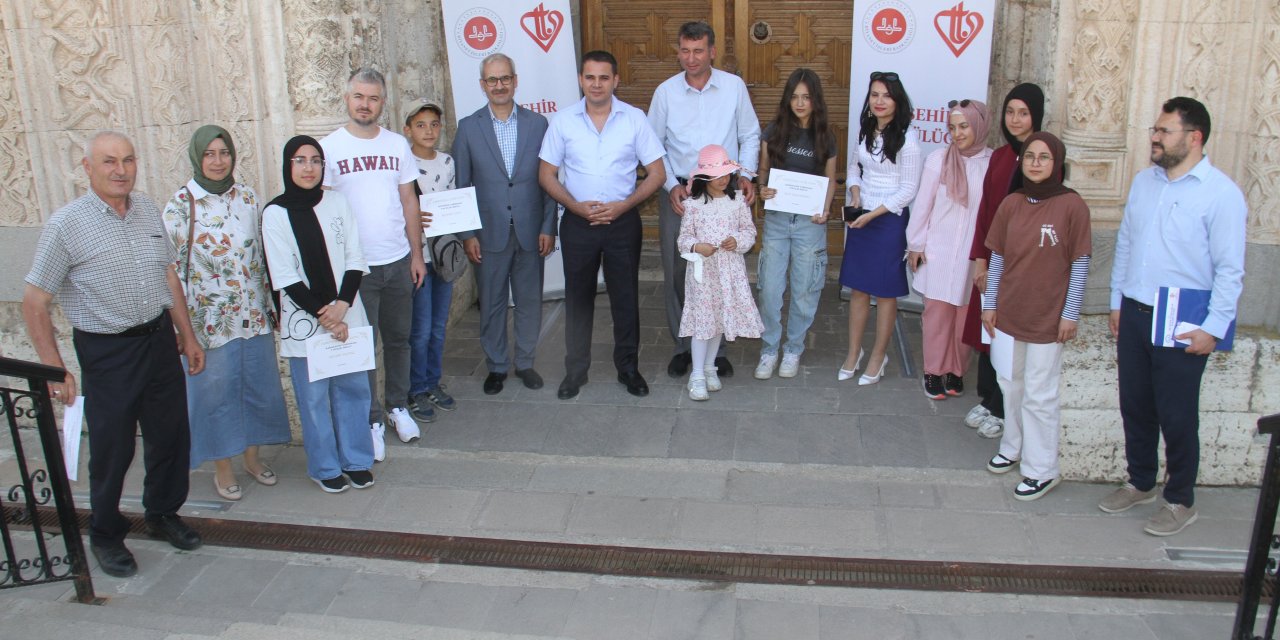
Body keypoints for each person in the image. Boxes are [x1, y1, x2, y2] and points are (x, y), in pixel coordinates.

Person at [23, 130, 205, 578]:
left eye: (127, 160)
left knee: (170, 435)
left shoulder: (145, 208)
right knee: (112, 447)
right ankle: (105, 532)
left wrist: (188, 334)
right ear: (88, 168)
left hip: (159, 340)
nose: (120, 170)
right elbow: (34, 300)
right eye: (108, 162)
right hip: (108, 352)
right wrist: (54, 368)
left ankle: (162, 513)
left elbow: (168, 275)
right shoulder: (66, 225)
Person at [1101, 97, 1247, 536]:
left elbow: (1230, 269)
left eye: (1164, 131)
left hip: (1185, 319)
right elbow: (1127, 242)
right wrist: (1116, 300)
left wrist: (1213, 328)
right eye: (1155, 130)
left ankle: (1180, 499)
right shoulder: (1146, 183)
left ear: (1194, 137)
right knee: (1136, 404)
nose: (1155, 138)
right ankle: (1141, 481)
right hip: (1137, 310)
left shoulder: (1221, 193)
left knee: (1178, 413)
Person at [161, 125, 290, 501]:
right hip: (209, 322)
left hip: (253, 315)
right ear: (197, 158)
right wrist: (184, 331)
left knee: (258, 388)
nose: (218, 162)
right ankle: (223, 468)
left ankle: (252, 459)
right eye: (210, 154)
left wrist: (272, 304)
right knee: (215, 396)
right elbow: (171, 273)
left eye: (224, 153)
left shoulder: (248, 198)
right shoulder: (180, 206)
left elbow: (262, 258)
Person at [539, 50, 666, 400]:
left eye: (604, 77)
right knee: (578, 299)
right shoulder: (563, 121)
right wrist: (575, 207)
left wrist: (625, 204)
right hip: (578, 225)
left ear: (616, 81)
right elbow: (545, 174)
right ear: (581, 80)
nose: (597, 84)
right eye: (590, 77)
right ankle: (575, 371)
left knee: (625, 298)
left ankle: (628, 368)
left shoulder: (634, 119)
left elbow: (658, 173)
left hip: (622, 223)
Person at [262, 135, 376, 494]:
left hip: (348, 312)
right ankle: (324, 466)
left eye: (315, 160)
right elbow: (285, 278)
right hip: (305, 321)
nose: (308, 167)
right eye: (300, 160)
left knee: (354, 390)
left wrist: (342, 307)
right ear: (288, 165)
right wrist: (326, 316)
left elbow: (356, 258)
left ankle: (356, 459)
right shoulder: (275, 213)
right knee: (313, 400)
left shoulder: (337, 201)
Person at [981, 131, 1091, 502]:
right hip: (1009, 312)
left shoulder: (1072, 206)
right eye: (1030, 157)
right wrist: (989, 304)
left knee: (1040, 394)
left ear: (1057, 162)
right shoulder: (1011, 204)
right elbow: (997, 258)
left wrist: (1069, 314)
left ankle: (1042, 469)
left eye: (1044, 157)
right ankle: (1013, 448)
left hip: (1048, 317)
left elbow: (1079, 263)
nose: (1036, 163)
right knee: (1010, 384)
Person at [320, 67, 425, 456]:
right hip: (355, 269)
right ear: (347, 99)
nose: (366, 104)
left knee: (399, 340)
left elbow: (409, 201)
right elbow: (324, 212)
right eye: (359, 97)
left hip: (397, 260)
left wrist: (417, 254)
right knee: (364, 346)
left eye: (374, 98)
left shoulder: (398, 144)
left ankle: (398, 405)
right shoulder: (330, 148)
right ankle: (371, 420)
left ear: (384, 102)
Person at [648, 20, 760, 380]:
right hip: (681, 193)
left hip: (723, 193)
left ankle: (718, 350)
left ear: (712, 51)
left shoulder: (733, 87)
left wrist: (747, 176)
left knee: (723, 269)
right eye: (684, 50)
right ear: (678, 50)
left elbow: (750, 134)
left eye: (698, 51)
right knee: (680, 271)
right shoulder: (665, 92)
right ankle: (684, 346)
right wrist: (669, 187)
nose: (691, 58)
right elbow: (652, 146)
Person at [453, 53, 557, 396]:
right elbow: (462, 185)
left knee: (529, 301)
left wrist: (548, 226)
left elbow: (549, 180)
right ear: (483, 85)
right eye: (492, 80)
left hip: (530, 231)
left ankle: (525, 362)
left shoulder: (538, 125)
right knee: (493, 303)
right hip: (487, 234)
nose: (499, 85)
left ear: (515, 80)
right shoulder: (469, 128)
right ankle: (496, 365)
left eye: (505, 78)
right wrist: (467, 234)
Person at [963, 83, 1045, 438]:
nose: (1015, 119)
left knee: (1009, 334)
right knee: (988, 329)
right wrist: (980, 258)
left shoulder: (1040, 157)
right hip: (992, 256)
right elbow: (986, 211)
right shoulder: (999, 157)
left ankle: (1002, 407)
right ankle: (989, 397)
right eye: (1010, 112)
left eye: (1023, 113)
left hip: (1020, 261)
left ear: (1036, 116)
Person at [754, 68, 838, 380]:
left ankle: (793, 349)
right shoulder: (773, 131)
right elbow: (763, 170)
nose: (800, 103)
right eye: (794, 97)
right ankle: (768, 349)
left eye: (806, 97)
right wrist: (763, 189)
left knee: (804, 291)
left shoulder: (825, 136)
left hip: (809, 223)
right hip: (776, 221)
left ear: (816, 100)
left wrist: (825, 209)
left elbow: (830, 180)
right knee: (770, 290)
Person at [906, 99, 992, 399]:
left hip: (973, 256)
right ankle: (933, 371)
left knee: (963, 319)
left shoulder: (992, 164)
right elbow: (923, 206)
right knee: (937, 317)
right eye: (953, 128)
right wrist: (915, 244)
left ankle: (956, 371)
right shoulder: (939, 160)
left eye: (964, 126)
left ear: (979, 125)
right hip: (939, 252)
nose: (957, 133)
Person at [838, 71, 921, 385]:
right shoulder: (866, 131)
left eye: (886, 95)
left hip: (888, 221)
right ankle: (853, 352)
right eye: (874, 95)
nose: (880, 101)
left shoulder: (909, 141)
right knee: (858, 289)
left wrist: (872, 216)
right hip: (863, 216)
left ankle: (878, 356)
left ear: (897, 100)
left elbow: (908, 190)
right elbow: (854, 168)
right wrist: (856, 193)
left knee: (885, 294)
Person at [677, 144, 763, 400]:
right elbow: (683, 240)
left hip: (728, 272)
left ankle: (709, 367)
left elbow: (749, 232)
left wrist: (737, 241)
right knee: (703, 322)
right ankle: (697, 377)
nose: (723, 179)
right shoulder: (692, 206)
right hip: (703, 274)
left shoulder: (737, 202)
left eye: (726, 174)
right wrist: (697, 246)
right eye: (717, 175)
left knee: (719, 322)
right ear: (704, 178)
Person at [402, 99, 458, 423]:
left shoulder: (447, 162)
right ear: (408, 129)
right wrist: (411, 216)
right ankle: (416, 388)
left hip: (443, 255)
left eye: (434, 124)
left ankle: (433, 381)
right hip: (417, 256)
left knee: (438, 327)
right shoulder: (402, 163)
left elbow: (452, 199)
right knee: (420, 329)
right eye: (420, 125)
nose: (428, 131)